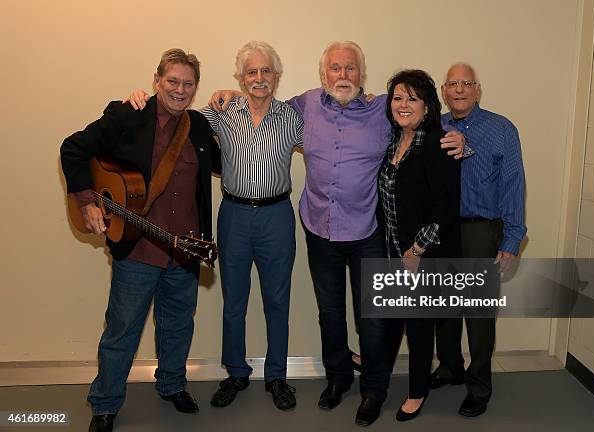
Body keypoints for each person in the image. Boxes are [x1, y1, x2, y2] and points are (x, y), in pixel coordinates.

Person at [207, 40, 465, 426]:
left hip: (367, 232)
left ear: (361, 74)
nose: (342, 75)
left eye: (349, 68)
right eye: (334, 68)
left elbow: (421, 123)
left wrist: (458, 138)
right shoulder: (305, 106)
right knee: (330, 313)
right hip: (319, 229)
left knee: (372, 317)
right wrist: (228, 93)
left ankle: (374, 390)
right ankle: (338, 379)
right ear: (322, 73)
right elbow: (261, 100)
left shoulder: (383, 109)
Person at [126, 41, 302, 411]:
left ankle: (276, 376)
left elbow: (330, 141)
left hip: (277, 216)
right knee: (233, 301)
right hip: (234, 215)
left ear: (277, 76)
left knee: (277, 301)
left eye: (266, 71)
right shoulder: (221, 111)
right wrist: (139, 100)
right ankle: (236, 372)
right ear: (240, 77)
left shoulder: (293, 117)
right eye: (251, 72)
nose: (259, 78)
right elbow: (172, 115)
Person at [60, 48, 220, 432]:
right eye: (172, 81)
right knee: (122, 330)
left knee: (178, 324)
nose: (179, 90)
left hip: (184, 248)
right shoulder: (128, 114)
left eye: (188, 84)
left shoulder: (197, 126)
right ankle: (105, 403)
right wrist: (86, 203)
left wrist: (232, 105)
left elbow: (221, 163)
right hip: (137, 249)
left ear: (196, 88)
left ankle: (171, 385)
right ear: (157, 80)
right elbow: (73, 148)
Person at [431, 62, 527, 417]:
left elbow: (514, 184)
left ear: (478, 89)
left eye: (466, 83)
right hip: (443, 230)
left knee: (478, 313)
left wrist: (512, 237)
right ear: (443, 90)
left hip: (482, 230)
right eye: (452, 83)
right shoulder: (433, 126)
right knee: (442, 306)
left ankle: (479, 385)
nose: (459, 89)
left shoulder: (502, 128)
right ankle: (450, 366)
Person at [376, 69, 461, 421]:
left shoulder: (439, 143)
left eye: (412, 98)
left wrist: (416, 250)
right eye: (398, 97)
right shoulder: (394, 141)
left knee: (420, 325)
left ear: (427, 106)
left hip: (423, 255)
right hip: (394, 250)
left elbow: (446, 206)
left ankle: (417, 392)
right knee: (398, 319)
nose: (404, 104)